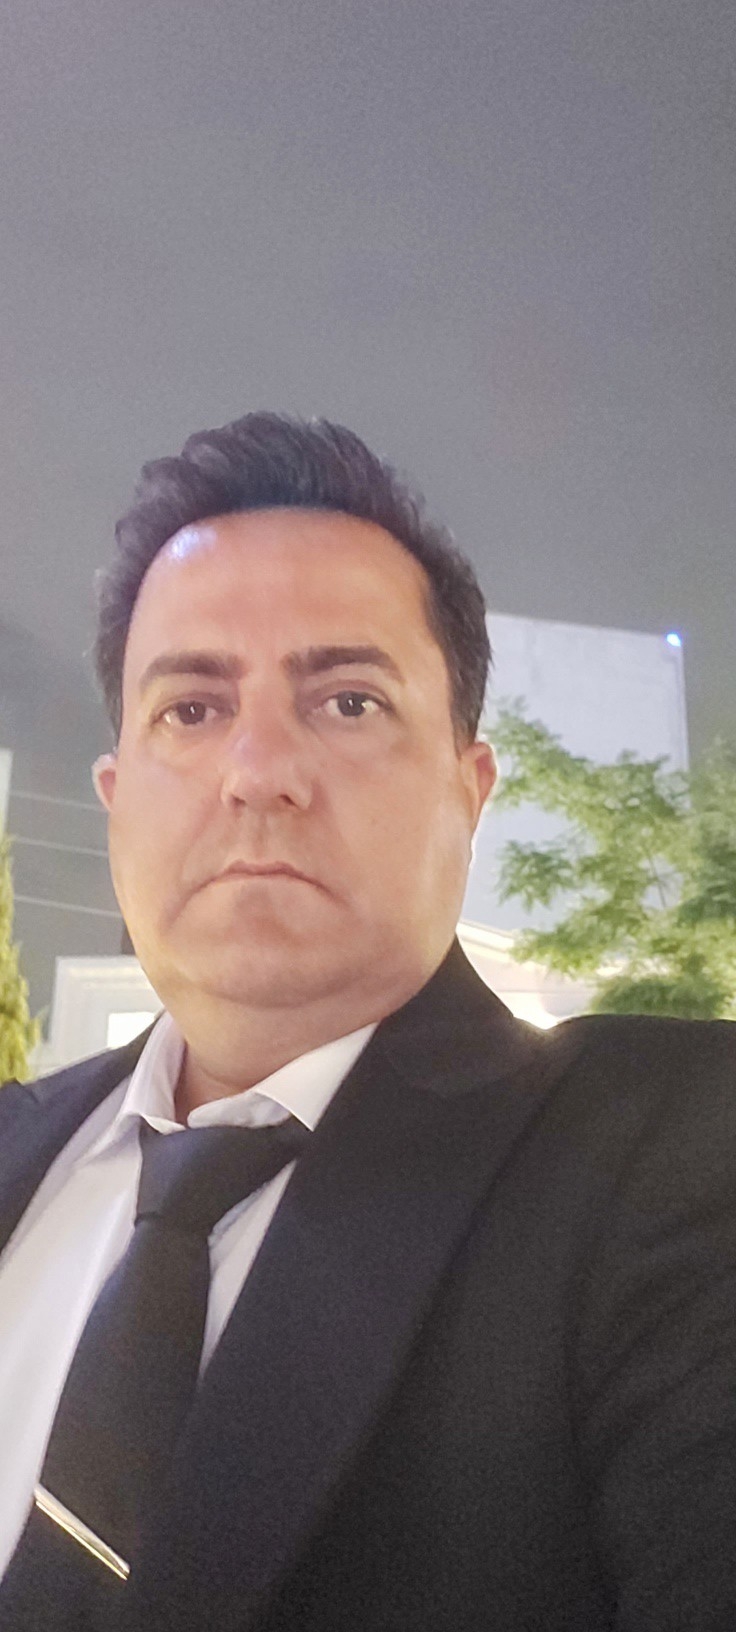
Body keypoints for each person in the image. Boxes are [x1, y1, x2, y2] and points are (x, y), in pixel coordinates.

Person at [0, 413, 734, 1632]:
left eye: (347, 701)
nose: (259, 772)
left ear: (468, 788)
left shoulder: (672, 1160)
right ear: (117, 798)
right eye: (191, 708)